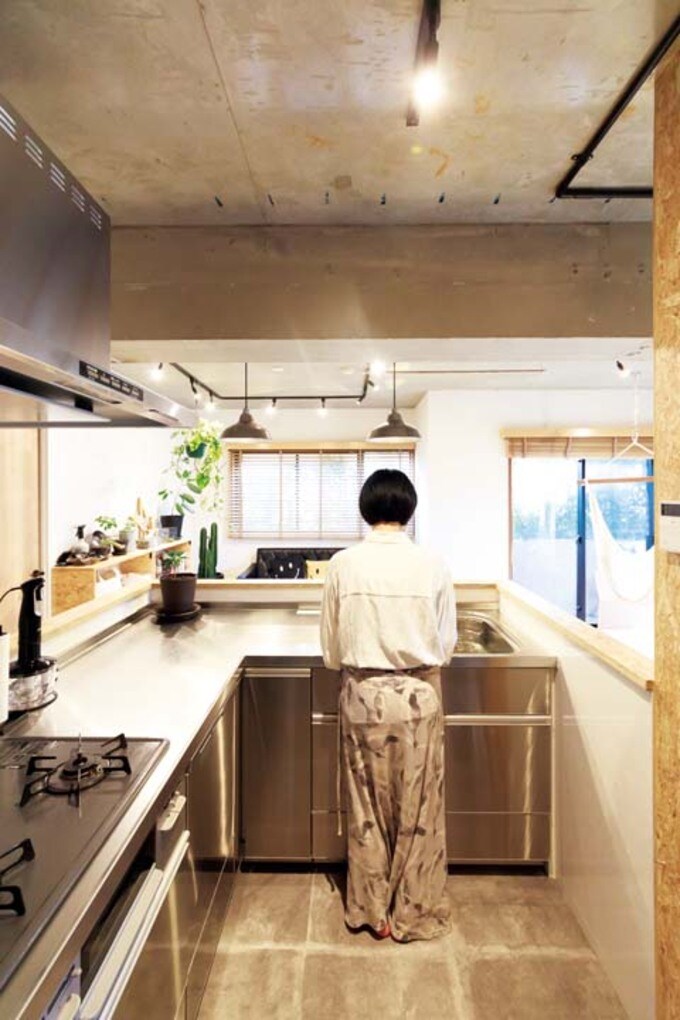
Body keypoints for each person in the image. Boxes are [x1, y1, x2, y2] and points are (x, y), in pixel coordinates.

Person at [320, 468, 457, 943]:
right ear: (408, 510)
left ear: (366, 509)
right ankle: (413, 912)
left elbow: (331, 648)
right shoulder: (433, 564)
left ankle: (372, 911)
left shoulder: (343, 564)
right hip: (419, 697)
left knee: (366, 809)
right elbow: (446, 642)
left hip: (363, 697)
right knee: (419, 811)